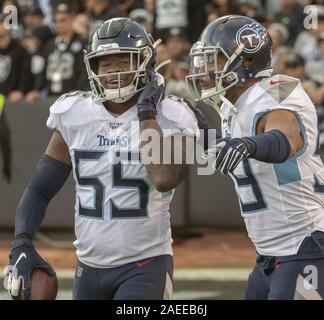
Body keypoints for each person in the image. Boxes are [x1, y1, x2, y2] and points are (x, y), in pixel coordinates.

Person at [4, 17, 200, 300]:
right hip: (88, 267)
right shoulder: (75, 113)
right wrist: (21, 242)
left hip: (145, 265)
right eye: (105, 63)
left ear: (145, 63)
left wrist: (147, 113)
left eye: (124, 61)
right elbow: (40, 188)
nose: (114, 72)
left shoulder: (171, 114)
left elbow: (165, 178)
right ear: (92, 66)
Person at [186, 15, 324, 299]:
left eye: (216, 60)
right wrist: (201, 134)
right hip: (269, 254)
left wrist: (247, 144)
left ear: (246, 62)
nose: (206, 70)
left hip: (305, 244)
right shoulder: (233, 106)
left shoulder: (277, 90)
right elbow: (236, 151)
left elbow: (286, 138)